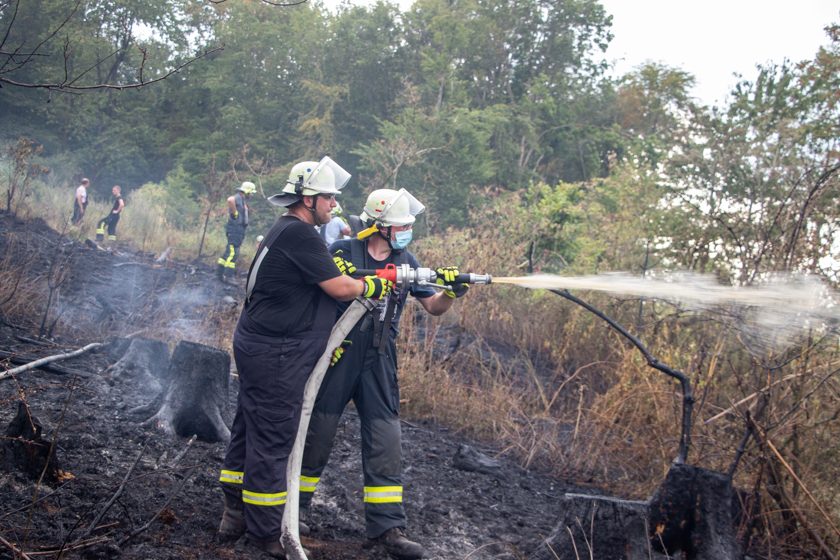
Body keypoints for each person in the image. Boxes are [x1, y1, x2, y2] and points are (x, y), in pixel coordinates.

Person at [217, 157, 395, 558]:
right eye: (329, 197)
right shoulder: (301, 235)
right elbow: (339, 288)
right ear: (308, 199)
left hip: (262, 346)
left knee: (249, 425)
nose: (334, 204)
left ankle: (234, 509)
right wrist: (372, 284)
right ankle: (264, 532)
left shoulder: (287, 230)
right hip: (276, 353)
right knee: (274, 437)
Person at [299, 187, 469, 560]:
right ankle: (293, 509)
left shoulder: (407, 259)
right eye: (402, 225)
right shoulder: (343, 252)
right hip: (339, 353)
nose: (408, 230)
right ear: (379, 225)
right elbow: (326, 293)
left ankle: (387, 528)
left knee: (385, 439)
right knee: (318, 433)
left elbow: (433, 306)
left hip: (380, 356)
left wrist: (452, 292)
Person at [216, 181, 257, 282]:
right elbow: (230, 200)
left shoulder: (242, 200)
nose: (252, 195)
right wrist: (235, 214)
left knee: (228, 252)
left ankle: (219, 274)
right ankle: (228, 276)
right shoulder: (238, 197)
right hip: (235, 230)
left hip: (237, 230)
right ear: (247, 191)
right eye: (251, 192)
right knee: (233, 253)